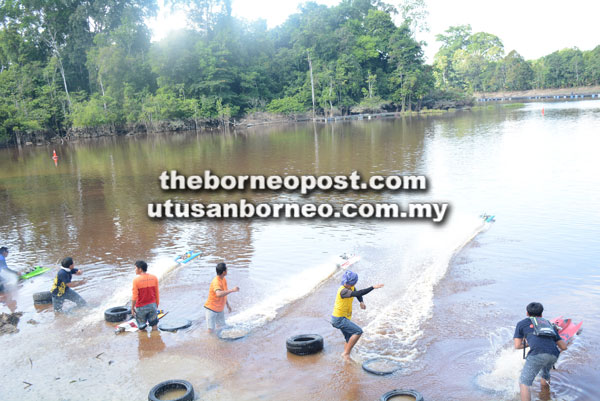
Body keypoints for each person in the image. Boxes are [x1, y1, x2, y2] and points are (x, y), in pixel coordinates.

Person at [514, 302, 568, 401]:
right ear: (541, 314)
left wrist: (531, 342)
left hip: (537, 354)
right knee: (545, 373)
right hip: (554, 354)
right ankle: (545, 396)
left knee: (524, 382)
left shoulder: (521, 324)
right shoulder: (548, 323)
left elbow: (517, 345)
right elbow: (563, 347)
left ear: (527, 313)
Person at [331, 270, 384, 361]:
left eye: (349, 283)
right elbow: (359, 293)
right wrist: (372, 287)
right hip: (339, 319)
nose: (347, 284)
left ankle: (346, 356)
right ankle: (346, 354)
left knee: (349, 337)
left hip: (344, 318)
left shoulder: (351, 287)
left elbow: (358, 294)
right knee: (358, 331)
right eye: (346, 282)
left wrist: (361, 302)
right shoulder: (343, 291)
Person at [204, 262, 239, 332]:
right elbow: (219, 294)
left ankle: (219, 342)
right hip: (211, 309)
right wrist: (232, 290)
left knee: (221, 327)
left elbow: (224, 293)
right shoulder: (216, 281)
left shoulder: (223, 279)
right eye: (227, 269)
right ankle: (209, 342)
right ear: (224, 272)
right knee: (211, 330)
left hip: (219, 309)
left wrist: (228, 305)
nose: (227, 271)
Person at [131, 260, 160, 331]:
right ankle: (155, 339)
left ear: (140, 269)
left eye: (135, 268)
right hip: (152, 305)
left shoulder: (136, 280)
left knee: (141, 327)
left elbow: (134, 296)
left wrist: (132, 308)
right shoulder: (154, 277)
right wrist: (156, 304)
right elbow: (156, 293)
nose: (135, 270)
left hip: (141, 307)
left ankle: (144, 341)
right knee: (154, 325)